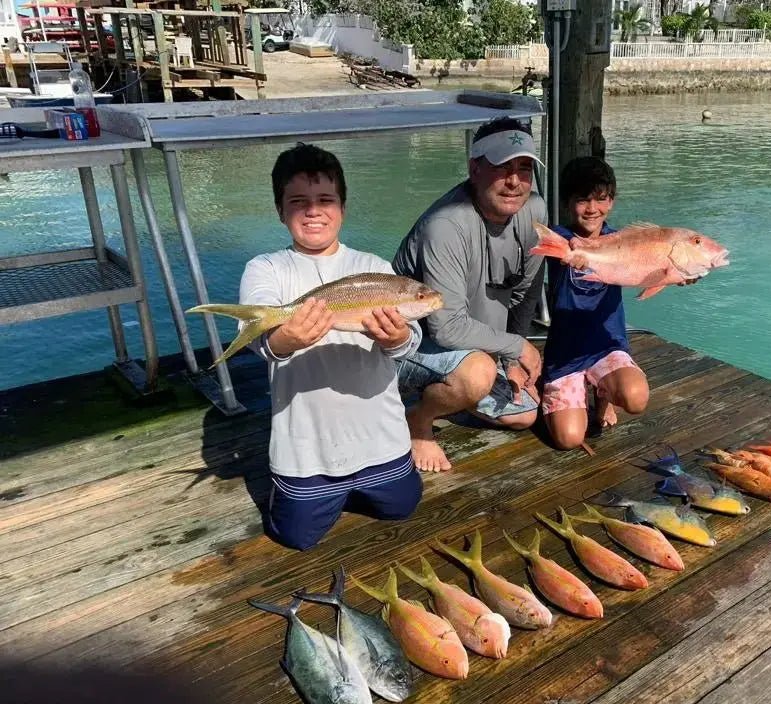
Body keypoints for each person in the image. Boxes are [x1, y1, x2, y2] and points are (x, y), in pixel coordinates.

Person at [238, 143, 423, 551]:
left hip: (380, 439)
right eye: (298, 202)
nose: (313, 211)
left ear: (343, 206)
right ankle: (301, 492)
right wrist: (286, 337)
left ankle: (363, 486)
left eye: (325, 200)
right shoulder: (266, 268)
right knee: (295, 537)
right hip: (307, 450)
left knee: (403, 506)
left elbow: (410, 343)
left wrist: (398, 337)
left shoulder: (374, 267)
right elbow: (259, 339)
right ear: (279, 209)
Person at [392, 117, 548, 473]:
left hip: (475, 344)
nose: (514, 182)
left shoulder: (535, 210)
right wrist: (516, 347)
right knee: (477, 374)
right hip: (406, 346)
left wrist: (511, 360)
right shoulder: (444, 226)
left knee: (525, 415)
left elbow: (527, 291)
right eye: (501, 168)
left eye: (524, 169)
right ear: (474, 168)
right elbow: (445, 328)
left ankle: (462, 385)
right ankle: (420, 419)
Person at [539, 156, 651, 450]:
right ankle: (558, 391)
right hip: (566, 354)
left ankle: (602, 399)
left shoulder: (622, 239)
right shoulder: (560, 239)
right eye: (582, 200)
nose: (592, 209)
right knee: (569, 439)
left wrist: (679, 273)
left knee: (636, 398)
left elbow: (650, 268)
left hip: (607, 344)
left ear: (612, 201)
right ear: (567, 202)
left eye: (601, 199)